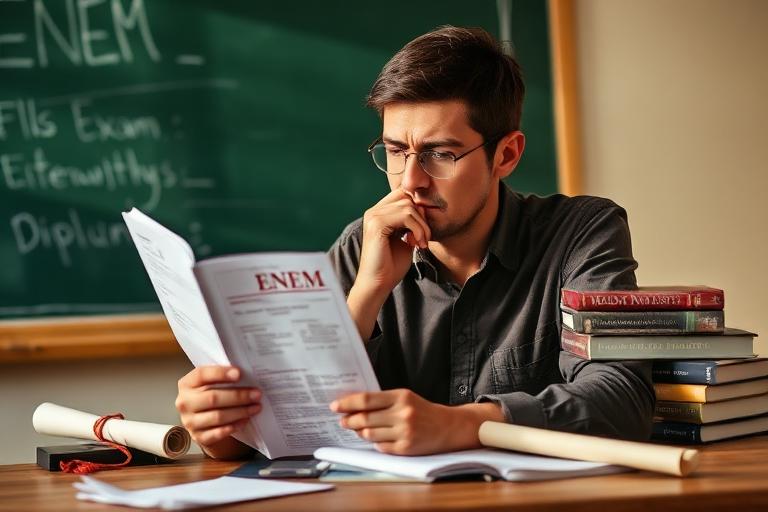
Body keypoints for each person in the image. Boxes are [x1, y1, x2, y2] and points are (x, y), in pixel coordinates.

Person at [175, 26, 655, 460]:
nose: (410, 182)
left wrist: (460, 424)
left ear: (506, 154)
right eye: (395, 152)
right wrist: (222, 433)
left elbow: (623, 398)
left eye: (440, 154)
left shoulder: (582, 232)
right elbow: (292, 425)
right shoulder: (359, 247)